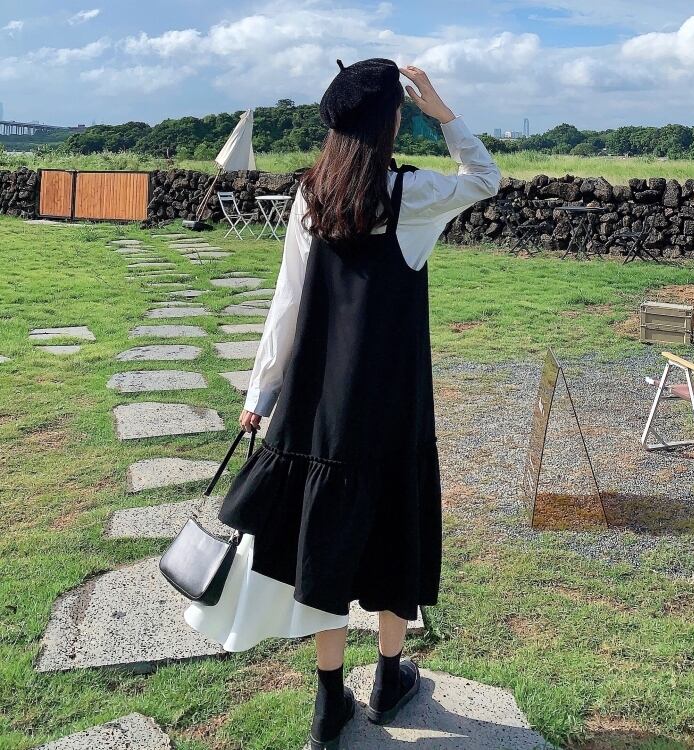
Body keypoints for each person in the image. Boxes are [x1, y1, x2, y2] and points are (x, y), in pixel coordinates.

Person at [185, 59, 500, 748]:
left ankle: (329, 700)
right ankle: (388, 679)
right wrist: (443, 111)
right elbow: (484, 177)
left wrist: (261, 391)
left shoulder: (312, 196)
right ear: (392, 120)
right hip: (391, 406)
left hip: (320, 408)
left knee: (325, 545)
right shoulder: (409, 195)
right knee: (393, 535)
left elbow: (287, 303)